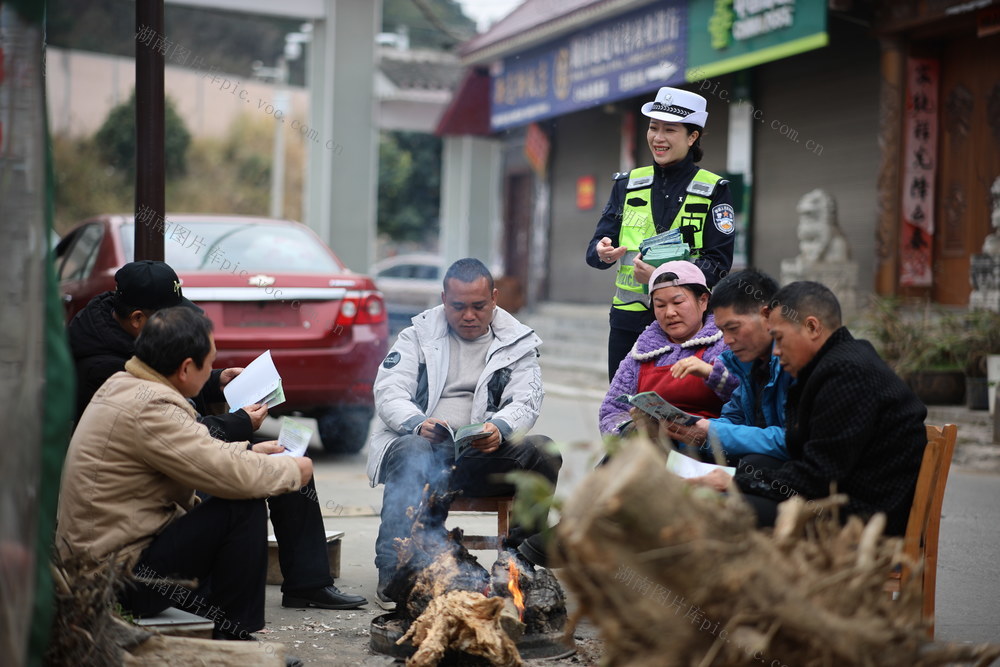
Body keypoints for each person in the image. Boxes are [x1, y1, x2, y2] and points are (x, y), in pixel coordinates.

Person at [67, 260, 365, 609]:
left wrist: (214, 382)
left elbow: (184, 435)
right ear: (138, 319)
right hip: (120, 566)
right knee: (246, 495)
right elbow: (194, 449)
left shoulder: (134, 367)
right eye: (207, 364)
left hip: (153, 495)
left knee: (276, 457)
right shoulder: (108, 373)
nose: (211, 368)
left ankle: (306, 584)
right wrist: (244, 430)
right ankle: (230, 622)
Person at [56, 307, 313, 644]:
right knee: (242, 504)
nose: (212, 373)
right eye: (209, 364)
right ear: (186, 368)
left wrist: (251, 451)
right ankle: (234, 640)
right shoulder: (152, 408)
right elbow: (225, 473)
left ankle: (218, 618)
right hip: (113, 582)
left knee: (240, 486)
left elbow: (198, 450)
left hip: (104, 561)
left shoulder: (126, 383)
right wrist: (293, 470)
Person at [367, 258, 561, 608]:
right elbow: (389, 391)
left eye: (478, 306)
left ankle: (519, 562)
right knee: (411, 449)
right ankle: (394, 570)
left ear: (494, 298)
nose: (468, 315)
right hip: (427, 456)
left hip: (482, 457)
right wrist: (417, 423)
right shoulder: (417, 336)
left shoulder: (517, 341)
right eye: (458, 307)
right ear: (444, 300)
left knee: (543, 451)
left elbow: (527, 400)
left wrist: (499, 428)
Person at [688, 282, 927, 535]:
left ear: (812, 327)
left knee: (722, 508)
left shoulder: (845, 373)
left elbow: (816, 478)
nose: (776, 351)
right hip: (838, 495)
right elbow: (804, 455)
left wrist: (735, 481)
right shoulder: (837, 361)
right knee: (754, 465)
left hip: (861, 517)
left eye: (779, 338)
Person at [587, 86, 735, 380]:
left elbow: (718, 264)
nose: (658, 137)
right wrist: (602, 251)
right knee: (623, 403)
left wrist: (661, 276)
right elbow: (595, 251)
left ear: (692, 137)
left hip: (686, 326)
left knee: (679, 402)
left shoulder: (714, 190)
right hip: (628, 324)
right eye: (653, 128)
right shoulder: (626, 184)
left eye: (669, 130)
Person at [661, 268, 793, 464]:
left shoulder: (793, 362)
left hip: (787, 472)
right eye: (722, 331)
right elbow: (733, 419)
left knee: (755, 463)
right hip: (753, 462)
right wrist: (680, 431)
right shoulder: (744, 364)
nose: (727, 340)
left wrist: (711, 431)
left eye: (733, 328)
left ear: (767, 315)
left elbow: (792, 440)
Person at [598, 260, 737, 442]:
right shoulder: (642, 352)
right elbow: (611, 411)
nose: (669, 313)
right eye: (660, 305)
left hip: (710, 447)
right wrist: (632, 430)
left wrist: (712, 373)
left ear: (703, 301)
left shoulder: (727, 343)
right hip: (651, 450)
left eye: (678, 302)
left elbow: (747, 399)